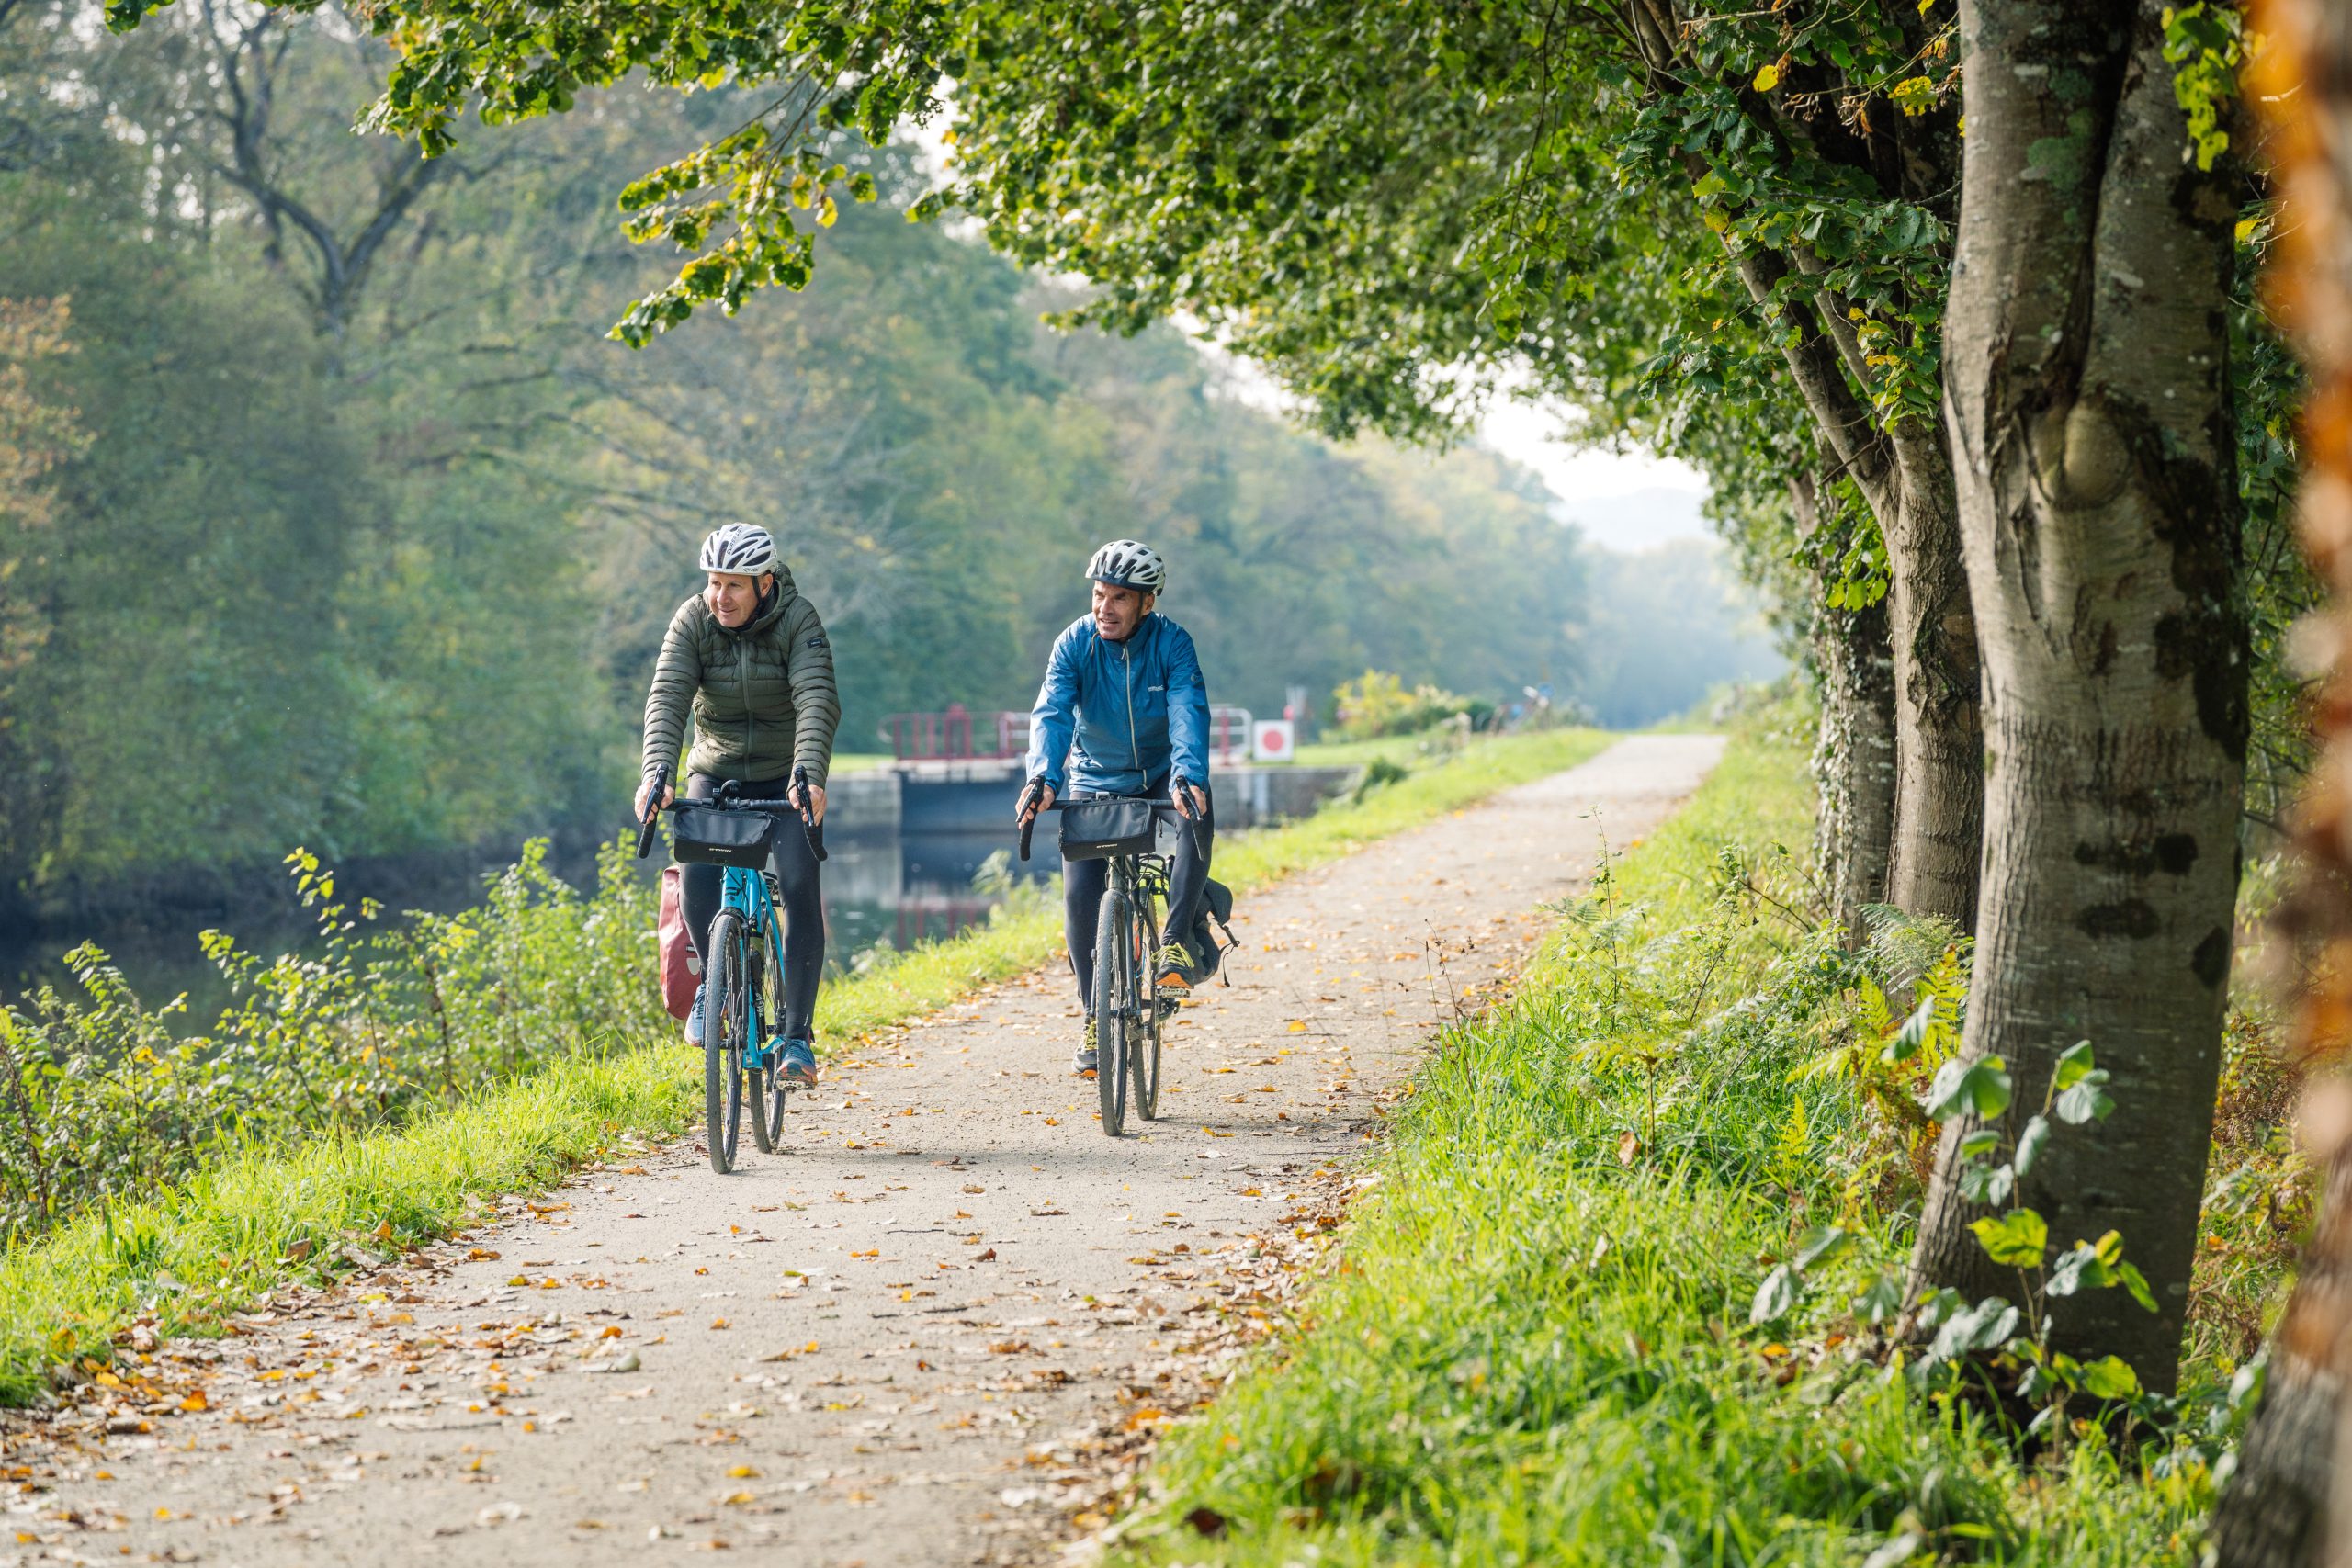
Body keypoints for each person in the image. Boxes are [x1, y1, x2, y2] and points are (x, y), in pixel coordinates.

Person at [635, 524, 840, 1087]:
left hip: (784, 776)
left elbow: (817, 697)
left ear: (764, 584)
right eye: (713, 583)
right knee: (698, 873)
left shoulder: (799, 620)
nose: (720, 597)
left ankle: (796, 1035)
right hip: (715, 772)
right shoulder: (694, 619)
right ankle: (714, 986)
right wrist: (658, 772)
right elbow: (668, 695)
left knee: (799, 884)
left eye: (734, 586)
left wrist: (809, 776)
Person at [1016, 539, 1215, 1076]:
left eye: (1119, 598)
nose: (1104, 608)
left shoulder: (1173, 643)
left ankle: (1173, 942)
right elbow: (1053, 713)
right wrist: (1044, 776)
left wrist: (1187, 774)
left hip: (1158, 777)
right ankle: (1092, 1012)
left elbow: (1186, 710)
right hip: (1092, 779)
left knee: (1198, 806)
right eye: (1099, 595)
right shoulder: (1073, 643)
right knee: (1080, 894)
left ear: (1146, 603)